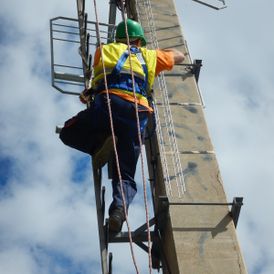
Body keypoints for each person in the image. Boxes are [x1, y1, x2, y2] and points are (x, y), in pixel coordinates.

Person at [59, 19, 185, 233]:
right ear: (139, 40)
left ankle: (100, 143)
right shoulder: (150, 56)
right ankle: (118, 211)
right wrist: (152, 51)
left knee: (68, 132)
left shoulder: (104, 50)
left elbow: (102, 77)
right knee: (125, 172)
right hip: (137, 112)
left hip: (109, 104)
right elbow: (179, 55)